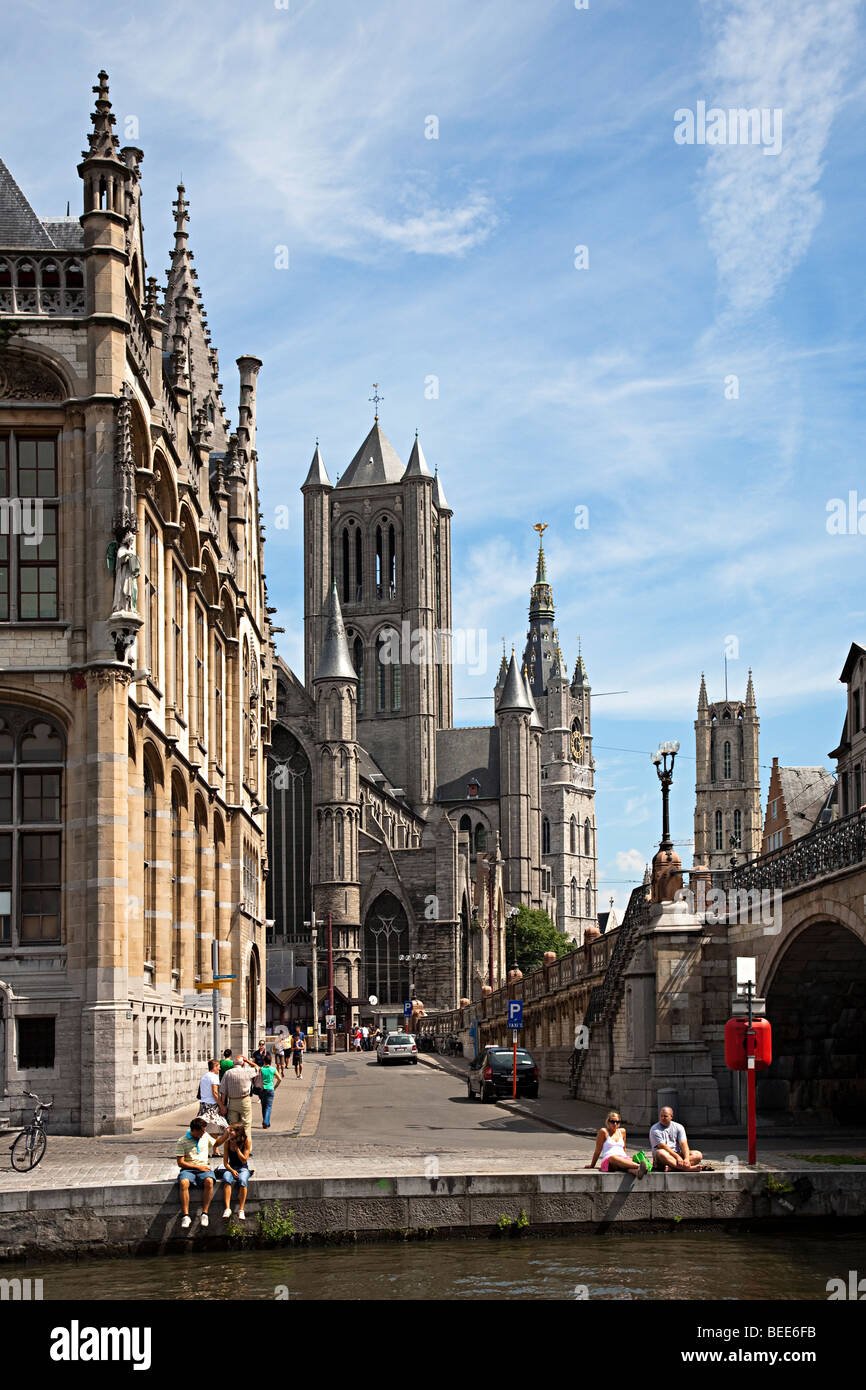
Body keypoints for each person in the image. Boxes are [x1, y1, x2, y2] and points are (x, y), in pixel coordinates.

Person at [176, 1115, 218, 1228]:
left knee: (209, 1181)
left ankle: (205, 1213)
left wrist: (227, 1135)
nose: (204, 1133)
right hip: (189, 1169)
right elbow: (180, 1162)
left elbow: (217, 1143)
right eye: (202, 1131)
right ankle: (185, 1215)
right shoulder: (182, 1141)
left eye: (205, 1131)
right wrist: (197, 1167)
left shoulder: (205, 1136)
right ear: (194, 1130)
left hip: (204, 1167)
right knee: (184, 1182)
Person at [585, 1111, 650, 1178]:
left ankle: (637, 1172)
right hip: (609, 1161)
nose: (615, 1124)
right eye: (612, 1121)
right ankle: (640, 1166)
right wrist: (592, 1165)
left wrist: (626, 1160)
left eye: (617, 1122)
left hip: (622, 1158)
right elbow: (598, 1150)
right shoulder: (603, 1132)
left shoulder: (622, 1131)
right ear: (608, 1122)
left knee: (625, 1165)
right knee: (613, 1158)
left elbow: (623, 1148)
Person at [650, 1105, 708, 1171]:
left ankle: (673, 1168)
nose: (662, 1118)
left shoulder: (679, 1127)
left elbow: (683, 1143)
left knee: (698, 1154)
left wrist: (686, 1158)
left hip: (678, 1155)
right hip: (664, 1157)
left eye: (665, 1116)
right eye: (661, 1116)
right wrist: (677, 1157)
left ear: (671, 1116)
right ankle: (687, 1168)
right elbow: (662, 1146)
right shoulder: (654, 1129)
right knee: (660, 1152)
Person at [215, 1122, 253, 1220]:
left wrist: (237, 1149)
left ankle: (241, 1209)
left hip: (243, 1167)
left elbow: (244, 1159)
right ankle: (227, 1208)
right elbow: (225, 1163)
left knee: (243, 1180)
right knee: (227, 1179)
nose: (229, 1132)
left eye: (231, 1130)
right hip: (231, 1167)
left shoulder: (246, 1142)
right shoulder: (227, 1143)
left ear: (238, 1132)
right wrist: (232, 1171)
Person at [218, 1052, 258, 1134]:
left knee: (233, 1127)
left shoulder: (228, 1073)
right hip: (245, 1100)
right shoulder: (247, 1071)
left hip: (232, 1101)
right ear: (242, 1064)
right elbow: (258, 1068)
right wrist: (247, 1061)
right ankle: (246, 1145)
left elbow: (223, 1091)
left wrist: (222, 1105)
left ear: (233, 1063)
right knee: (246, 1126)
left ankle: (234, 1145)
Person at [196, 1057, 227, 1136]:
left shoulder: (204, 1076)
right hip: (212, 1105)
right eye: (218, 1067)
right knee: (218, 1129)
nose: (219, 1069)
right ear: (214, 1067)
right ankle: (214, 1146)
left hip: (203, 1104)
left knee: (205, 1128)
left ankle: (212, 1145)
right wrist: (221, 1106)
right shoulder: (214, 1077)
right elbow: (215, 1092)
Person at [259, 1051, 281, 1127]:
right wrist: (275, 1087)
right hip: (270, 1088)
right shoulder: (273, 1069)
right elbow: (280, 1079)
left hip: (262, 1089)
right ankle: (266, 1121)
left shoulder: (261, 1069)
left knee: (263, 1106)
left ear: (264, 1061)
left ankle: (266, 1122)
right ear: (270, 1061)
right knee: (268, 1106)